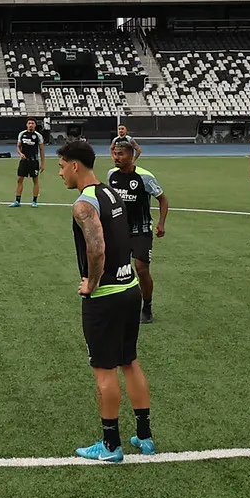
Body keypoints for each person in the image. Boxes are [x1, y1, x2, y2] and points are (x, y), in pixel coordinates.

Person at [59, 138, 155, 462]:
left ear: (75, 165)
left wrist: (92, 283)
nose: (59, 174)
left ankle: (111, 444)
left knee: (104, 370)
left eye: (61, 167)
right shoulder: (111, 191)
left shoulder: (84, 204)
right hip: (130, 289)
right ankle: (144, 436)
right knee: (130, 361)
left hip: (106, 296)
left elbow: (97, 247)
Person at [107, 140, 167, 323]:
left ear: (131, 156)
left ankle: (147, 307)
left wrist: (161, 224)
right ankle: (122, 306)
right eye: (115, 154)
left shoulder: (144, 177)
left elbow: (163, 200)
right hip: (119, 231)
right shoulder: (112, 175)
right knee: (119, 270)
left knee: (141, 270)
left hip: (141, 230)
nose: (116, 158)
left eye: (121, 154)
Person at [11, 117, 46, 206]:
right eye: (29, 123)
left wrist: (42, 164)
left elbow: (42, 150)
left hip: (34, 162)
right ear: (27, 125)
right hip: (24, 161)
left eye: (32, 123)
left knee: (35, 180)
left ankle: (34, 201)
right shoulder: (22, 134)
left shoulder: (38, 136)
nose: (31, 125)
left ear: (35, 125)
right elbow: (18, 146)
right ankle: (17, 201)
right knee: (19, 180)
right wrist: (20, 153)